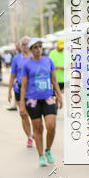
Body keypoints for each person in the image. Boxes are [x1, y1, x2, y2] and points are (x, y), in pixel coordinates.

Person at [19, 38, 63, 166]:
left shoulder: (48, 61)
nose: (38, 49)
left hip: (48, 98)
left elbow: (54, 80)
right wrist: (22, 103)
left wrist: (59, 96)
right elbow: (24, 85)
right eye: (35, 47)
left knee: (51, 126)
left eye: (40, 47)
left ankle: (48, 149)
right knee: (38, 128)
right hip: (32, 101)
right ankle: (41, 155)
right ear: (31, 50)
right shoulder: (27, 65)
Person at [8, 37, 34, 146]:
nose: (25, 46)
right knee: (23, 114)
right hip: (19, 89)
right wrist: (9, 91)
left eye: (27, 44)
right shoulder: (16, 58)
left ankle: (36, 132)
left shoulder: (35, 57)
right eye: (23, 44)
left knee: (34, 114)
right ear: (20, 46)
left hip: (32, 89)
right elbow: (12, 75)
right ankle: (29, 137)